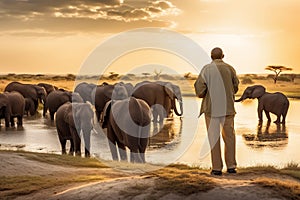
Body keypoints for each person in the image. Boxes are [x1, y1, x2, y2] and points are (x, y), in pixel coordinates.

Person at [194, 47, 239, 176]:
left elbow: (200, 88)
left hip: (211, 109)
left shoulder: (206, 69)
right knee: (230, 137)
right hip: (228, 109)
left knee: (214, 138)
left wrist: (204, 93)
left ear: (211, 56)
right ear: (223, 56)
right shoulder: (230, 69)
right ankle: (231, 166)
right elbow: (235, 87)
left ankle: (217, 169)